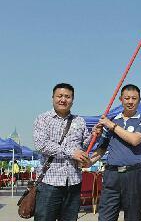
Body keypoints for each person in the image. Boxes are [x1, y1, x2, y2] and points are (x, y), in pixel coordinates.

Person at [89, 84, 141, 221]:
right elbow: (101, 149)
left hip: (134, 174)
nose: (130, 101)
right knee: (105, 217)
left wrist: (111, 126)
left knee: (133, 218)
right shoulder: (111, 120)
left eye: (134, 98)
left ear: (139, 100)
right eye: (127, 98)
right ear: (121, 99)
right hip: (111, 175)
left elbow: (135, 140)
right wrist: (88, 161)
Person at [33, 83, 93, 221]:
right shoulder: (43, 119)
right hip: (49, 183)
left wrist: (94, 135)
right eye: (60, 96)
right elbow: (42, 145)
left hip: (73, 183)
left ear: (72, 99)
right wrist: (71, 153)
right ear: (53, 97)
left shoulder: (80, 121)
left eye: (67, 96)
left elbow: (83, 147)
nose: (63, 99)